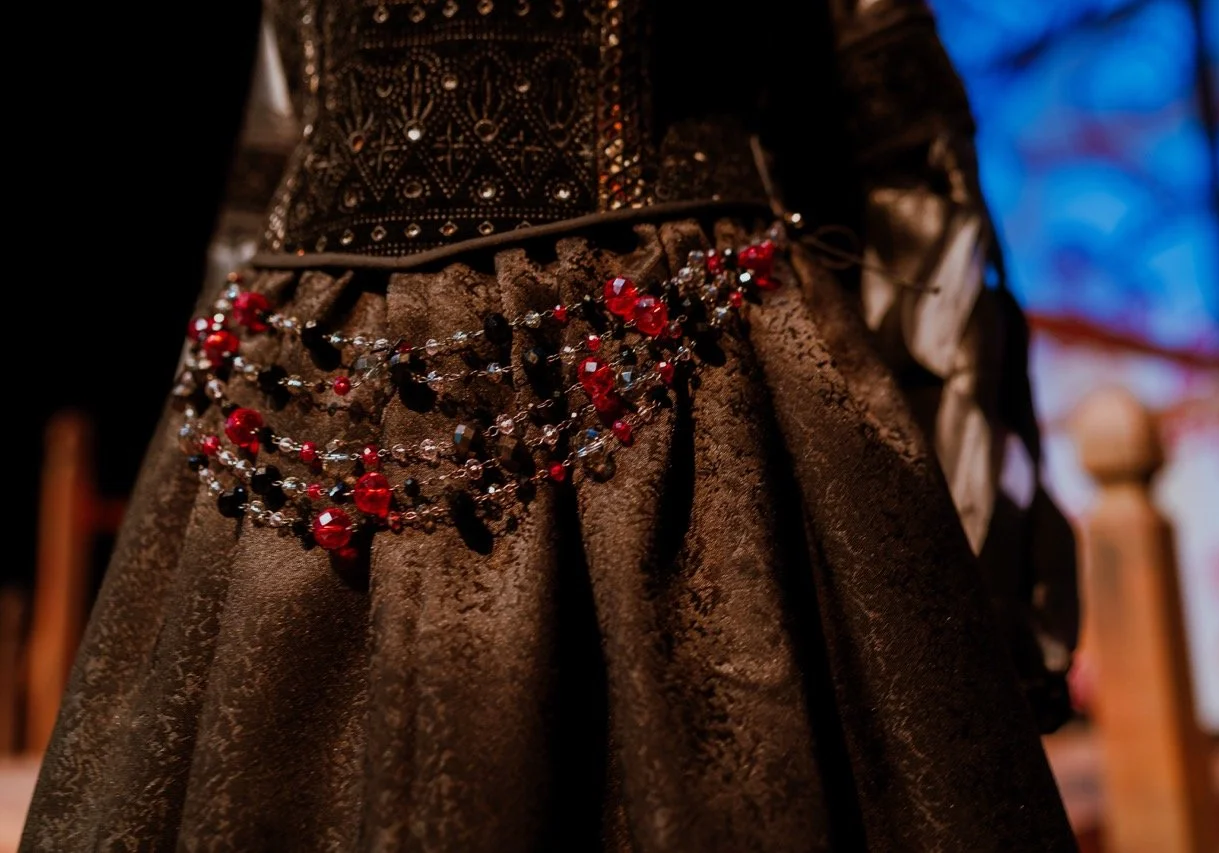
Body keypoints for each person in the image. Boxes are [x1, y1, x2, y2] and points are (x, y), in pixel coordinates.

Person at [23, 0, 1077, 849]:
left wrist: (967, 533)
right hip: (312, 405)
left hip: (675, 372)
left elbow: (883, 118)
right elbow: (277, 127)